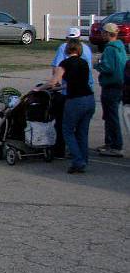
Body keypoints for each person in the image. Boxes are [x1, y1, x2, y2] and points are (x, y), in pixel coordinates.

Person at [46, 38, 95, 173]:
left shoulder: (65, 63)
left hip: (75, 100)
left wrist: (41, 88)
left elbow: (54, 81)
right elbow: (77, 81)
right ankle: (84, 160)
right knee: (82, 132)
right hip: (89, 98)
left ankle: (78, 161)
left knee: (67, 130)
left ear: (67, 49)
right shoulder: (84, 63)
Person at [94, 23, 127, 157]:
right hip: (120, 85)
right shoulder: (121, 47)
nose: (102, 34)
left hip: (111, 85)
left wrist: (97, 65)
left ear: (108, 33)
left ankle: (116, 145)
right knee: (109, 115)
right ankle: (109, 142)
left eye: (103, 32)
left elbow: (108, 68)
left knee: (111, 116)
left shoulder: (109, 49)